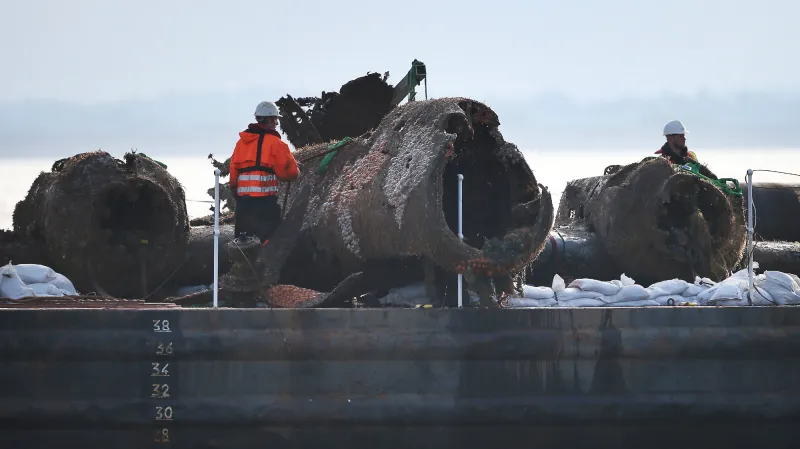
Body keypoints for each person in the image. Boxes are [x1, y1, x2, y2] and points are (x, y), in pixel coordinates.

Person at [229, 101, 299, 245]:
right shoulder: (277, 144)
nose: (276, 124)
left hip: (244, 205)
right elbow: (289, 173)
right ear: (270, 119)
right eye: (275, 120)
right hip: (265, 206)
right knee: (268, 242)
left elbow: (233, 178)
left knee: (243, 245)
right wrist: (297, 170)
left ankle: (243, 267)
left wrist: (237, 195)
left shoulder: (240, 143)